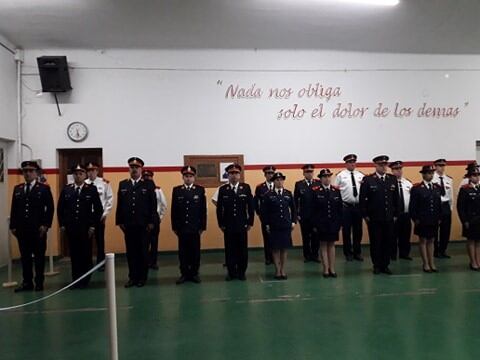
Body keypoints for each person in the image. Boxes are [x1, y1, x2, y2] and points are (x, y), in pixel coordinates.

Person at [9, 161, 54, 292]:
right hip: (22, 230)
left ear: (36, 173)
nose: (27, 173)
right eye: (25, 171)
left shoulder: (44, 189)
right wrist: (13, 226)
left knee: (39, 257)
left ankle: (39, 282)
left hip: (38, 230)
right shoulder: (18, 189)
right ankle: (27, 282)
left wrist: (45, 225)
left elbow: (50, 208)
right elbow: (14, 209)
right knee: (25, 258)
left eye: (30, 171)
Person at [58, 164, 102, 288]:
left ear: (85, 175)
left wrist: (93, 225)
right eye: (76, 173)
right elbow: (60, 208)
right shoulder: (67, 189)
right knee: (74, 254)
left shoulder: (91, 189)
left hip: (86, 228)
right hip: (71, 228)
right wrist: (62, 224)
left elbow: (98, 209)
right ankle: (75, 279)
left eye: (81, 173)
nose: (78, 176)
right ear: (73, 175)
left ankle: (85, 278)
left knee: (86, 254)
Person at [115, 157, 157, 288]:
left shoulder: (148, 184)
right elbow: (120, 204)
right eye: (131, 167)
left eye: (136, 168)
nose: (134, 170)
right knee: (131, 252)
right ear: (129, 169)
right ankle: (132, 277)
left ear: (141, 169)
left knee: (143, 252)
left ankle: (142, 278)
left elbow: (153, 204)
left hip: (143, 224)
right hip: (129, 225)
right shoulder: (123, 184)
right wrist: (120, 221)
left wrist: (151, 222)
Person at [360, 155, 399, 275]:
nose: (384, 167)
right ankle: (376, 265)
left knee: (388, 241)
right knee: (376, 242)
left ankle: (385, 265)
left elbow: (396, 198)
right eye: (381, 165)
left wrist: (396, 214)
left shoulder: (392, 179)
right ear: (375, 165)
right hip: (374, 218)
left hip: (388, 217)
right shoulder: (368, 180)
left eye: (385, 165)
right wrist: (365, 215)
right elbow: (362, 200)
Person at [216, 163, 254, 281]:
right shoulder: (223, 189)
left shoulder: (246, 187)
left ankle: (242, 271)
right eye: (231, 173)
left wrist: (250, 222)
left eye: (236, 173)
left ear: (239, 175)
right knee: (230, 249)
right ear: (228, 175)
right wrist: (221, 223)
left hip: (242, 224)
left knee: (242, 249)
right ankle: (231, 272)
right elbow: (219, 208)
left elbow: (251, 207)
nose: (234, 175)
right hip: (228, 225)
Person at [171, 166, 207, 284]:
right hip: (182, 227)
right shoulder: (177, 190)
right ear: (183, 177)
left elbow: (203, 210)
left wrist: (202, 226)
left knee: (195, 252)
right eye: (186, 176)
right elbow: (174, 210)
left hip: (195, 228)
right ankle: (184, 274)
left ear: (194, 177)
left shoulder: (200, 190)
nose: (188, 178)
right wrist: (175, 227)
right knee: (183, 252)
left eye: (190, 176)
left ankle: (195, 273)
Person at [261, 172, 297, 280]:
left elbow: (294, 209)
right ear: (274, 182)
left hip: (286, 225)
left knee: (284, 248)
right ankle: (277, 270)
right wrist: (266, 223)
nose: (279, 182)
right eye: (277, 180)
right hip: (274, 225)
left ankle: (283, 270)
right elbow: (264, 211)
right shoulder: (268, 195)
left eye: (281, 179)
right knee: (275, 248)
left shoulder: (288, 193)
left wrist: (293, 221)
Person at [409, 165, 442, 273]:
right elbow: (412, 206)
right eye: (428, 173)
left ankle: (432, 262)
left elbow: (438, 204)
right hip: (422, 219)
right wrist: (415, 219)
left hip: (433, 218)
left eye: (432, 173)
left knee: (432, 240)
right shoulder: (417, 188)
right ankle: (425, 263)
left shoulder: (437, 187)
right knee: (423, 240)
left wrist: (439, 217)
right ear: (423, 174)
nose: (431, 175)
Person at [312, 169, 342, 278]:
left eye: (329, 176)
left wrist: (340, 222)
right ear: (320, 178)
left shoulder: (336, 190)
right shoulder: (316, 191)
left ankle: (332, 268)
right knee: (323, 245)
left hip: (333, 222)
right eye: (324, 177)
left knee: (332, 244)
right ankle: (325, 269)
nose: (327, 178)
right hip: (321, 223)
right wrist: (315, 224)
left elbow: (339, 209)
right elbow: (313, 210)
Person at [335, 154, 364, 261]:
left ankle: (357, 252)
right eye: (350, 162)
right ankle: (348, 253)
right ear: (346, 163)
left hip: (358, 207)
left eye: (354, 162)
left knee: (358, 231)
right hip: (345, 207)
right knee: (346, 231)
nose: (352, 164)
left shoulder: (360, 175)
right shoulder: (340, 175)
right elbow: (336, 192)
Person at [85, 162, 113, 270]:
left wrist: (105, 214)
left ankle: (101, 263)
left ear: (97, 171)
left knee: (100, 240)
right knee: (87, 240)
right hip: (87, 216)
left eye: (93, 170)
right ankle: (88, 263)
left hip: (99, 216)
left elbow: (109, 199)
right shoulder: (84, 183)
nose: (91, 172)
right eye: (89, 170)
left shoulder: (104, 183)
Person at [142, 169, 168, 270]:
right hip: (143, 220)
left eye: (148, 176)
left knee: (154, 241)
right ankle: (144, 262)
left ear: (152, 177)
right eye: (145, 177)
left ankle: (153, 262)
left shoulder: (157, 190)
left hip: (154, 219)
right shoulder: (140, 189)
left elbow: (164, 205)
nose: (147, 178)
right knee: (143, 242)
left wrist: (159, 217)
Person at [294, 164, 320, 262]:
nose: (309, 174)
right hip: (304, 216)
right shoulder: (299, 184)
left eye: (311, 172)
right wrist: (297, 215)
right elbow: (295, 201)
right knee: (305, 237)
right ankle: (307, 256)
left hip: (316, 216)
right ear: (304, 173)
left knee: (315, 236)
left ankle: (315, 255)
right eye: (307, 172)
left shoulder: (318, 183)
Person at [457, 166, 480, 271]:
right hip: (470, 220)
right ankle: (473, 261)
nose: (477, 177)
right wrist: (464, 220)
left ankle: (478, 260)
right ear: (470, 177)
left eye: (478, 175)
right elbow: (460, 207)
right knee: (471, 241)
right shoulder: (465, 189)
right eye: (474, 175)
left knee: (478, 242)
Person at [389, 161, 413, 260]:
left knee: (406, 235)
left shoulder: (408, 183)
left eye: (400, 169)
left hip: (406, 213)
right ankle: (392, 254)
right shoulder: (389, 182)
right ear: (392, 170)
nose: (399, 171)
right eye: (396, 169)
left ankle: (404, 254)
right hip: (394, 214)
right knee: (392, 236)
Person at [254, 165, 276, 265]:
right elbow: (255, 202)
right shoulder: (260, 188)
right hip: (265, 217)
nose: (270, 175)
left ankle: (276, 258)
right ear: (265, 175)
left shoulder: (278, 185)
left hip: (276, 217)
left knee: (276, 238)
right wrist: (259, 213)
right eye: (268, 173)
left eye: (272, 173)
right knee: (267, 238)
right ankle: (268, 258)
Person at [432, 159, 453, 258]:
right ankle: (435, 251)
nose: (442, 167)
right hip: (436, 205)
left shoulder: (448, 179)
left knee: (446, 230)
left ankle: (443, 250)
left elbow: (451, 195)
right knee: (435, 230)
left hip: (445, 206)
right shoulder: (432, 178)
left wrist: (450, 207)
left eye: (443, 165)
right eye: (440, 165)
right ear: (435, 166)